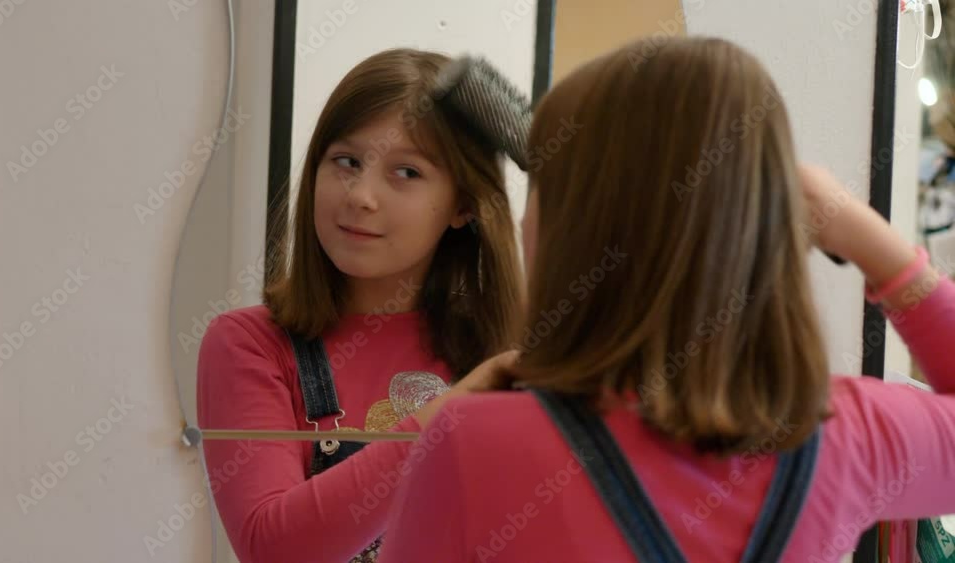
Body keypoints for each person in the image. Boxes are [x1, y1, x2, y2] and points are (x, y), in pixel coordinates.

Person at [379, 37, 955, 562]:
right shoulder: (848, 436)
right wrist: (858, 231)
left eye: (542, 194)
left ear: (574, 236)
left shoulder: (471, 447)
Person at [196, 48, 524, 563]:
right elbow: (274, 549)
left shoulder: (509, 351)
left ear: (463, 205)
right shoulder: (250, 344)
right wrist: (457, 408)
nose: (361, 196)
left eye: (407, 173)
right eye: (346, 162)